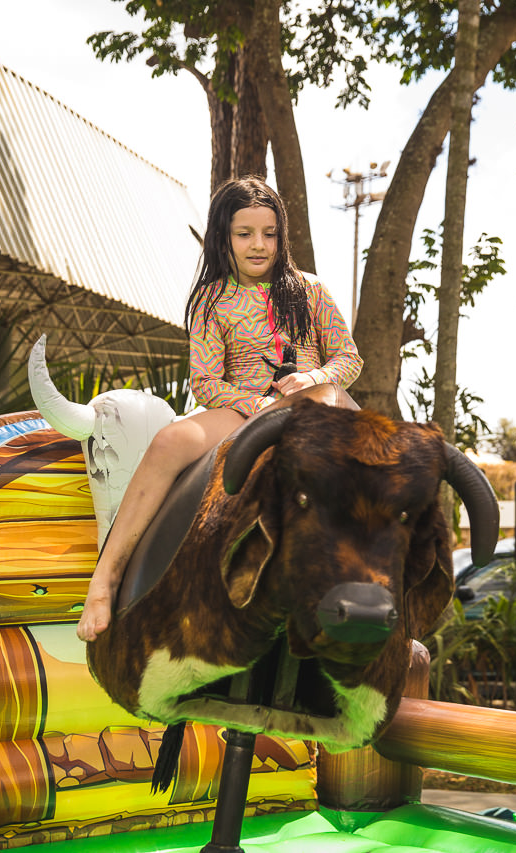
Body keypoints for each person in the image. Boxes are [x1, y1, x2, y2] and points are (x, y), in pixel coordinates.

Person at [75, 176, 363, 641]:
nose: (259, 245)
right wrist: (254, 403)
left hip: (315, 401)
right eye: (244, 233)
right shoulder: (212, 299)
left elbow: (349, 359)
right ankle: (106, 578)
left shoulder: (311, 290)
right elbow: (206, 382)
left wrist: (311, 378)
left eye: (269, 233)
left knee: (351, 421)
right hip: (243, 407)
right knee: (170, 440)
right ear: (223, 237)